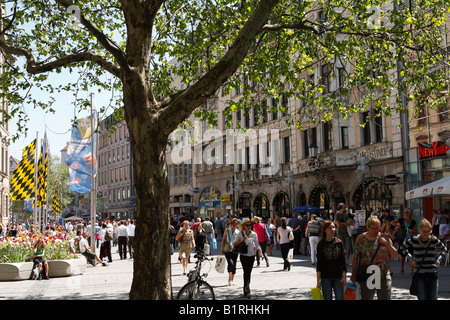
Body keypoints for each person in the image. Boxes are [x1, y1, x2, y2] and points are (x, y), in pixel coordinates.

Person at [399, 219, 448, 300]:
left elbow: (444, 249)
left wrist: (439, 259)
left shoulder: (433, 240)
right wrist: (411, 259)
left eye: (428, 231)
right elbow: (402, 248)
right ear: (420, 230)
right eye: (424, 231)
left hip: (432, 274)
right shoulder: (414, 239)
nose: (426, 233)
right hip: (419, 275)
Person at [351, 216, 397, 300]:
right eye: (373, 228)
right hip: (368, 275)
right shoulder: (361, 239)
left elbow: (394, 255)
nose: (376, 230)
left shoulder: (384, 237)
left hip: (383, 274)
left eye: (377, 228)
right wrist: (353, 275)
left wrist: (386, 243)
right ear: (368, 227)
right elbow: (355, 258)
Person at [316, 221, 347, 300]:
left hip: (338, 276)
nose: (332, 229)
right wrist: (318, 281)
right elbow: (319, 263)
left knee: (340, 298)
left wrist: (344, 277)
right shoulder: (321, 244)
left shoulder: (339, 242)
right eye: (329, 228)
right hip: (325, 277)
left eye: (333, 227)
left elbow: (343, 261)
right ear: (325, 230)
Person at [234, 218, 262, 299]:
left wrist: (260, 252)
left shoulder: (254, 234)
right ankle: (247, 291)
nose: (249, 227)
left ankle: (246, 288)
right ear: (244, 226)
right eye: (247, 225)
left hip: (251, 255)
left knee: (248, 272)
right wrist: (242, 240)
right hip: (243, 255)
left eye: (250, 225)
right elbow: (235, 244)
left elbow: (257, 244)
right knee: (246, 272)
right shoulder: (240, 234)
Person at [391, 208, 417, 274]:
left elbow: (416, 232)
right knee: (402, 255)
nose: (405, 213)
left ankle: (411, 270)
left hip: (410, 240)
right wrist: (398, 226)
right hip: (402, 239)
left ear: (410, 213)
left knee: (411, 254)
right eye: (405, 212)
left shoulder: (413, 221)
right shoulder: (402, 220)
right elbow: (392, 222)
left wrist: (411, 231)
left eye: (407, 212)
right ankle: (402, 267)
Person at [221, 218, 240, 286]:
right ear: (231, 225)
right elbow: (223, 240)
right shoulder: (227, 231)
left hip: (235, 250)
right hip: (227, 250)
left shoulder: (238, 232)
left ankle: (232, 279)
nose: (235, 226)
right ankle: (229, 279)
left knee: (234, 264)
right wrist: (222, 249)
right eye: (234, 225)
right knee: (230, 263)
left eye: (236, 225)